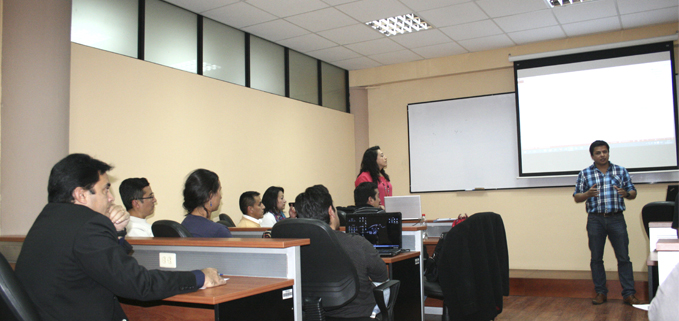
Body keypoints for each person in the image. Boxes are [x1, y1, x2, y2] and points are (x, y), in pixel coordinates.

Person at [14, 154, 226, 321]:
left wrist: (116, 234)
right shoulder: (88, 225)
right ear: (80, 195)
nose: (111, 198)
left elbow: (97, 265)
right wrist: (199, 277)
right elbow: (140, 285)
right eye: (105, 189)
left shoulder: (47, 220)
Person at [295, 184, 388, 319]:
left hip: (314, 314)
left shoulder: (296, 247)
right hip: (359, 314)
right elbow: (381, 276)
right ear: (331, 212)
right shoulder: (358, 243)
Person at [573, 140, 641, 306]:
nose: (602, 155)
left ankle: (629, 294)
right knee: (596, 258)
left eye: (604, 151)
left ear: (608, 153)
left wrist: (627, 193)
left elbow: (633, 192)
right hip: (595, 219)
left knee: (624, 257)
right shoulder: (585, 173)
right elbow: (576, 197)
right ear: (592, 155)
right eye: (598, 153)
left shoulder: (620, 170)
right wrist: (587, 194)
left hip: (616, 218)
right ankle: (601, 292)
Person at [181, 169, 232, 237]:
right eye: (219, 190)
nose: (220, 196)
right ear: (209, 196)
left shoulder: (183, 225)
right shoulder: (219, 231)